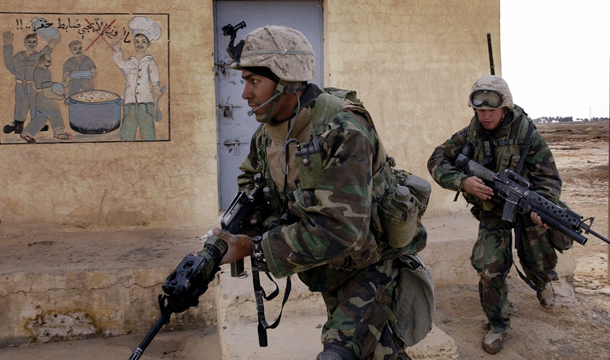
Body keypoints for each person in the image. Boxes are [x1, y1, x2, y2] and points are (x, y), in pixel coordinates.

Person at [205, 25, 432, 360]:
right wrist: (252, 218)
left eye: (254, 81)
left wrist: (253, 249)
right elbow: (251, 180)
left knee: (341, 353)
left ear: (285, 80)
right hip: (328, 266)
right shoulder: (268, 136)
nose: (245, 94)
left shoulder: (343, 129)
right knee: (380, 353)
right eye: (245, 81)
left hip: (372, 264)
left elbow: (344, 230)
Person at [427, 75, 562, 354]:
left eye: (492, 110)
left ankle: (542, 282)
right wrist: (461, 181)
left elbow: (548, 177)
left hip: (526, 207)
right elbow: (437, 159)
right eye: (480, 110)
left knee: (536, 256)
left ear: (505, 107)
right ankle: (498, 323)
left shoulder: (526, 135)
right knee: (490, 267)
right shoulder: (470, 134)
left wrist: (544, 205)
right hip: (492, 210)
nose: (486, 115)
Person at [112, 16, 162, 141]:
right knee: (128, 129)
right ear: (134, 43)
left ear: (148, 44)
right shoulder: (130, 62)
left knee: (148, 130)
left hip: (146, 102)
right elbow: (119, 63)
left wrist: (156, 87)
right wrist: (117, 49)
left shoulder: (149, 61)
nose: (140, 45)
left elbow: (154, 74)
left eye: (143, 42)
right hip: (130, 102)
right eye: (137, 41)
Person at [2, 31, 58, 134]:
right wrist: (8, 45)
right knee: (20, 105)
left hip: (32, 85)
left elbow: (44, 53)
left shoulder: (37, 56)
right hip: (20, 85)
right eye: (29, 42)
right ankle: (18, 124)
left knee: (34, 105)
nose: (32, 44)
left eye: (34, 42)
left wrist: (50, 47)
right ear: (24, 42)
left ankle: (36, 124)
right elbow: (9, 64)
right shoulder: (19, 56)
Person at [20, 54, 73, 143]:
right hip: (45, 98)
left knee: (41, 118)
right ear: (41, 61)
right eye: (48, 61)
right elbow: (46, 90)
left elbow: (34, 85)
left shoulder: (36, 70)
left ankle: (27, 132)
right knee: (54, 111)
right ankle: (58, 132)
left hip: (38, 97)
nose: (50, 63)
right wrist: (59, 96)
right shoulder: (45, 72)